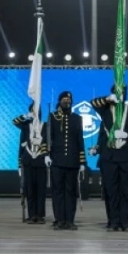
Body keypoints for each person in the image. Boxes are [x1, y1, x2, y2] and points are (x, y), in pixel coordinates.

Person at [91, 85, 128, 231]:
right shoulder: (105, 109)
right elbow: (93, 102)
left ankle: (125, 222)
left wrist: (127, 134)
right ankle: (113, 221)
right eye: (118, 93)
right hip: (109, 157)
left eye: (124, 93)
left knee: (126, 191)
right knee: (111, 191)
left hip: (127, 156)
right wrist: (109, 99)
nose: (122, 95)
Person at [47, 91, 85, 230]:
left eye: (68, 99)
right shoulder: (53, 117)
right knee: (58, 192)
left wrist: (82, 162)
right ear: (59, 101)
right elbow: (48, 137)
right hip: (56, 161)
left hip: (73, 162)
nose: (66, 101)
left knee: (70, 192)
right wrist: (46, 154)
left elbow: (80, 141)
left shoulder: (77, 118)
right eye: (64, 99)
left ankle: (70, 220)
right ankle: (59, 219)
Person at [12, 102, 48, 224]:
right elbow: (14, 121)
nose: (36, 113)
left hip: (41, 160)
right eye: (33, 111)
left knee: (41, 189)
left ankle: (40, 215)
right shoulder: (25, 126)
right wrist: (26, 116)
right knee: (30, 189)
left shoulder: (46, 126)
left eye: (37, 110)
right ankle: (32, 214)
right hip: (28, 161)